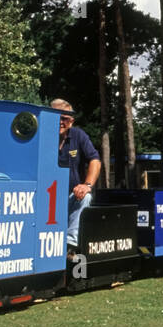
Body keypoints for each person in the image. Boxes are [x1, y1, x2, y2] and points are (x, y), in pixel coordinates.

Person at [51, 98, 101, 250]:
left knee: (85, 196)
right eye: (56, 117)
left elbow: (95, 160)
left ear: (71, 121)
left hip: (71, 196)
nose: (60, 122)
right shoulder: (41, 137)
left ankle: (70, 245)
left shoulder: (79, 136)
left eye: (64, 118)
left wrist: (86, 185)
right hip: (48, 198)